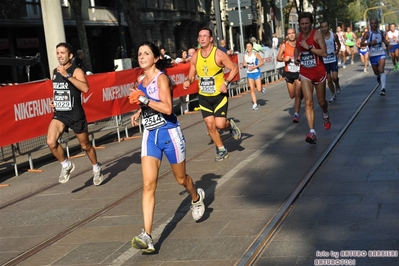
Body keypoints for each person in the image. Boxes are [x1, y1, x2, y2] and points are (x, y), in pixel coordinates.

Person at [129, 42, 205, 253]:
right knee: (147, 184)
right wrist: (139, 111)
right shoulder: (140, 80)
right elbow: (146, 105)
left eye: (146, 53)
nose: (142, 57)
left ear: (155, 58)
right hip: (150, 136)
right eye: (139, 54)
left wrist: (143, 98)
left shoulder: (161, 78)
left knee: (181, 179)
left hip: (169, 134)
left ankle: (196, 197)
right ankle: (147, 235)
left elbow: (167, 107)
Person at [47, 42, 103, 185]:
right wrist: (55, 101)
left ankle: (96, 167)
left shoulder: (76, 70)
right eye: (58, 53)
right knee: (51, 142)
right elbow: (60, 90)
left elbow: (85, 88)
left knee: (85, 146)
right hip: (60, 114)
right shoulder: (55, 71)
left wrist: (67, 75)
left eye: (62, 53)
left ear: (70, 55)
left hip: (75, 114)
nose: (59, 56)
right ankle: (66, 165)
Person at [183, 27, 241, 161]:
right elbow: (191, 76)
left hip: (219, 96)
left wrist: (226, 83)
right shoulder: (195, 56)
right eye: (200, 36)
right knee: (210, 125)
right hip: (204, 96)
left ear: (210, 39)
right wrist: (188, 81)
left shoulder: (219, 54)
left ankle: (230, 125)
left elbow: (234, 69)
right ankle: (221, 149)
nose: (202, 38)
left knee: (220, 125)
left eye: (205, 36)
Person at [294, 12, 331, 144]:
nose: (304, 26)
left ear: (311, 23)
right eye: (302, 24)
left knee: (321, 102)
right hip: (305, 72)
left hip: (319, 72)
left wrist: (309, 47)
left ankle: (325, 113)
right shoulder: (298, 36)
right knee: (308, 102)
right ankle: (312, 132)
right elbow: (297, 50)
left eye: (307, 23)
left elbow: (324, 53)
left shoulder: (317, 34)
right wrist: (296, 59)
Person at [277, 28, 302, 123]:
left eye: (293, 33)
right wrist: (284, 59)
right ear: (287, 35)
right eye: (289, 34)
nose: (291, 35)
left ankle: (296, 114)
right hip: (289, 72)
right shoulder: (284, 46)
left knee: (297, 94)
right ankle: (300, 94)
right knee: (292, 95)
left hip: (299, 71)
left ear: (295, 34)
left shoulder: (300, 44)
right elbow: (278, 58)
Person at [361, 18, 389, 96]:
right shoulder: (367, 34)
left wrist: (388, 45)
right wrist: (370, 43)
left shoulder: (381, 32)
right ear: (370, 24)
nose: (373, 25)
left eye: (375, 23)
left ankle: (383, 89)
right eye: (372, 23)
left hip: (381, 54)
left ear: (377, 24)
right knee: (376, 72)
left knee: (381, 70)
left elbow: (383, 39)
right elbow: (361, 44)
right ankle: (378, 76)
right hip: (373, 55)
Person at [320, 21, 342, 102]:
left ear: (328, 27)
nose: (324, 28)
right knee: (328, 80)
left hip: (332, 59)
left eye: (325, 26)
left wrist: (337, 50)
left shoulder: (334, 35)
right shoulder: (319, 36)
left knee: (334, 77)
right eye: (322, 27)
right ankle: (333, 94)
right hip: (324, 60)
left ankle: (337, 85)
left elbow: (338, 44)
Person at [243, 42, 265, 110]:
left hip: (256, 72)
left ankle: (261, 88)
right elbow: (244, 65)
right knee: (252, 89)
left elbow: (262, 62)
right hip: (249, 73)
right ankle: (255, 104)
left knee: (258, 89)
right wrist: (244, 65)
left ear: (252, 47)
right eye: (247, 47)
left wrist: (255, 67)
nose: (248, 48)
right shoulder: (245, 55)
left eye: (250, 46)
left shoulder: (255, 54)